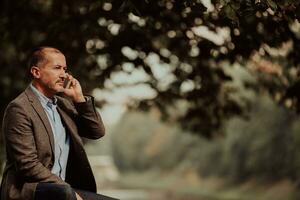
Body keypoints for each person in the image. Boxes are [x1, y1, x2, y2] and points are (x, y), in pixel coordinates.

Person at [0, 47, 118, 200]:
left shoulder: (64, 106)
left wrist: (79, 99)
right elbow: (27, 165)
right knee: (65, 194)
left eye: (65, 69)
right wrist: (67, 189)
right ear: (36, 72)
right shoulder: (19, 108)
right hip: (30, 191)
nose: (64, 75)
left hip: (63, 190)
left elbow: (96, 132)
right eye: (57, 68)